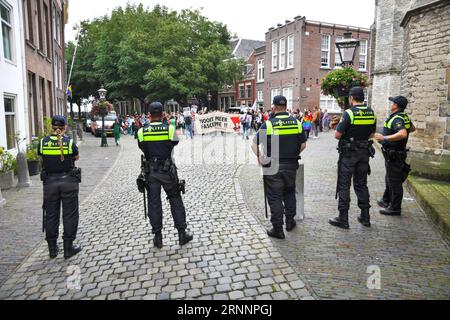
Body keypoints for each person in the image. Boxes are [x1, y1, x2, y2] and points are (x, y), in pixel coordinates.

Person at [137, 102, 193, 248]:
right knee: (175, 199)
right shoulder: (170, 129)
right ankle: (182, 234)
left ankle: (158, 237)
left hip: (151, 173)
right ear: (162, 114)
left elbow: (142, 147)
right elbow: (174, 142)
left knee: (154, 203)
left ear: (149, 115)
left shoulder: (142, 132)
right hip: (168, 171)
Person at [252, 96, 307, 239]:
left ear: (274, 107)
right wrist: (293, 155)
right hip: (291, 165)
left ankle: (278, 229)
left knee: (275, 197)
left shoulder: (269, 124)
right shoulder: (296, 123)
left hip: (273, 166)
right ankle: (290, 222)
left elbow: (254, 144)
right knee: (289, 193)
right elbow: (303, 145)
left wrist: (262, 158)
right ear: (286, 106)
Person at [329, 87, 377, 229]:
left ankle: (343, 218)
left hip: (349, 154)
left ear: (351, 98)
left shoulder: (349, 113)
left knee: (344, 184)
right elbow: (372, 133)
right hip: (364, 153)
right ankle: (365, 216)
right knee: (361, 184)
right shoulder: (371, 113)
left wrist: (339, 130)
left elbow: (337, 135)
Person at [38, 116, 82, 260]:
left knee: (51, 215)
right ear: (65, 128)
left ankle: (52, 249)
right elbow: (77, 157)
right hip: (68, 181)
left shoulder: (42, 143)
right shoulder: (69, 142)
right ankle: (68, 248)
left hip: (50, 183)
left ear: (52, 127)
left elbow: (41, 157)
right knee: (69, 214)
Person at [374, 96, 416, 216]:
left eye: (392, 102)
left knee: (394, 181)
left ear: (396, 105)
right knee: (390, 178)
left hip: (395, 154)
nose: (391, 104)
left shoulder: (397, 118)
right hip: (393, 153)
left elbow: (403, 133)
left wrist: (385, 137)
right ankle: (386, 200)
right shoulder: (403, 116)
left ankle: (395, 208)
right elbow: (412, 129)